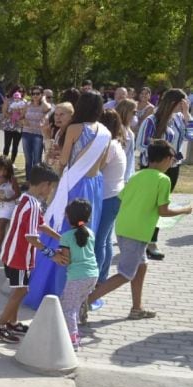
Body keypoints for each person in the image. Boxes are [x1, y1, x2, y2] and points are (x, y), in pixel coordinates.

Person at [86, 140, 192, 320]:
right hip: (137, 232)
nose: (171, 164)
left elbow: (123, 197)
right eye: (172, 160)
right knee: (126, 273)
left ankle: (137, 308)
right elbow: (163, 210)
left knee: (141, 266)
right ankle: (87, 300)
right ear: (167, 159)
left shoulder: (136, 176)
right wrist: (185, 209)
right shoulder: (163, 180)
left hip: (123, 228)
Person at [24, 91, 111, 310]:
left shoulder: (74, 128)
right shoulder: (106, 132)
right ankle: (80, 292)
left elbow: (63, 161)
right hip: (94, 185)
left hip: (74, 184)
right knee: (85, 234)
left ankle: (52, 287)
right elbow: (102, 164)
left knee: (61, 231)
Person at [0, 163, 62, 343]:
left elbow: (40, 224)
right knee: (21, 291)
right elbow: (31, 237)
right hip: (19, 256)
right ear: (44, 184)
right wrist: (51, 253)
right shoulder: (33, 206)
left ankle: (12, 322)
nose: (51, 191)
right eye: (51, 187)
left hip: (13, 254)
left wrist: (60, 237)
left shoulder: (26, 199)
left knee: (20, 289)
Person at [29, 199, 98, 349]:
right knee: (73, 304)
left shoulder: (66, 236)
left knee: (68, 309)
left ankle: (72, 339)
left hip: (77, 277)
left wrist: (53, 253)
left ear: (68, 216)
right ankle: (70, 328)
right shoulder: (90, 233)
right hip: (92, 275)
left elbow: (65, 260)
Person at [134, 88, 193, 260]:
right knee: (148, 206)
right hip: (153, 169)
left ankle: (152, 241)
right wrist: (160, 157)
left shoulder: (179, 119)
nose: (183, 106)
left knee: (161, 206)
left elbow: (191, 136)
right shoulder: (152, 120)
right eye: (181, 103)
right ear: (172, 102)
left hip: (172, 168)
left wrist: (187, 114)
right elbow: (141, 145)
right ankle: (142, 240)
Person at [94, 110, 127, 286]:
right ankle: (101, 279)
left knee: (100, 240)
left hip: (109, 196)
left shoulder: (110, 145)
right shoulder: (116, 143)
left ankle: (96, 280)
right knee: (105, 240)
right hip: (113, 195)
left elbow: (98, 167)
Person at [0, 155, 18, 256]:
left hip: (9, 206)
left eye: (5, 170)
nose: (2, 172)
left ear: (9, 169)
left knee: (2, 224)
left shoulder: (12, 179)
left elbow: (18, 193)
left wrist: (9, 198)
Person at [21, 86, 53, 179]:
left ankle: (36, 181)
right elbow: (21, 117)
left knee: (36, 159)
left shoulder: (44, 105)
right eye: (33, 93)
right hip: (26, 133)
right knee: (28, 159)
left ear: (42, 94)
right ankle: (28, 180)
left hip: (38, 134)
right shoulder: (27, 104)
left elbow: (49, 108)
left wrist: (43, 100)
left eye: (37, 93)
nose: (35, 95)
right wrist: (23, 121)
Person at [1, 86, 24, 163]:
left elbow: (25, 114)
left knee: (15, 145)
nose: (19, 92)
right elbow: (4, 112)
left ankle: (12, 162)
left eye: (21, 91)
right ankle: (4, 161)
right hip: (8, 126)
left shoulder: (24, 102)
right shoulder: (8, 100)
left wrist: (19, 116)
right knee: (7, 144)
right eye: (17, 91)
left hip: (19, 126)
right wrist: (12, 117)